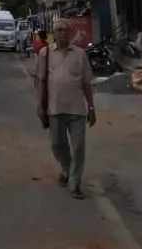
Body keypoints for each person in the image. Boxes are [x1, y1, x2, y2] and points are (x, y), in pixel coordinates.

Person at [34, 18, 96, 200]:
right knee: (57, 145)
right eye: (58, 30)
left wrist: (91, 106)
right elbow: (41, 81)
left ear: (70, 32)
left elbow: (86, 83)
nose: (61, 33)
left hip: (77, 108)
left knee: (78, 148)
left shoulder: (80, 54)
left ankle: (74, 183)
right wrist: (39, 105)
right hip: (54, 108)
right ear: (54, 34)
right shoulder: (46, 53)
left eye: (64, 30)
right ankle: (66, 169)